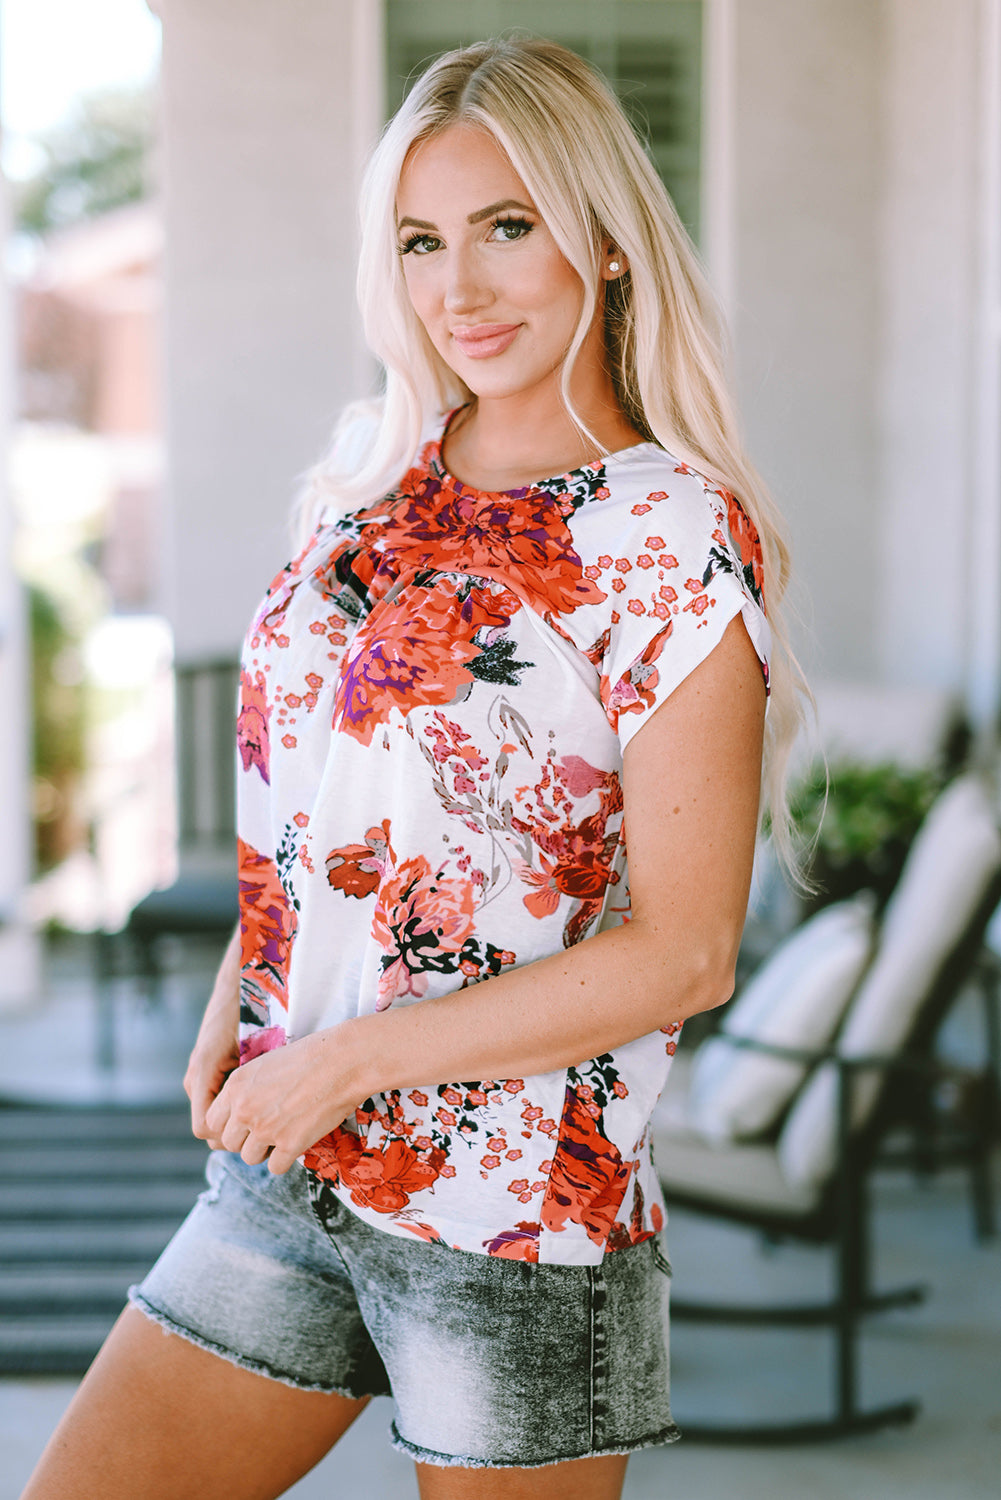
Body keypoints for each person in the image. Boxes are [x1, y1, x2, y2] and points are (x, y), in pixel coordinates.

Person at [24, 35, 804, 1500]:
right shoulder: (369, 478)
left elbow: (688, 951)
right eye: (420, 240)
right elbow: (324, 802)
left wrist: (339, 1062)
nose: (460, 287)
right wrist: (245, 996)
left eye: (508, 226)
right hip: (292, 1170)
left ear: (605, 242)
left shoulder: (668, 534)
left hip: (515, 1214)